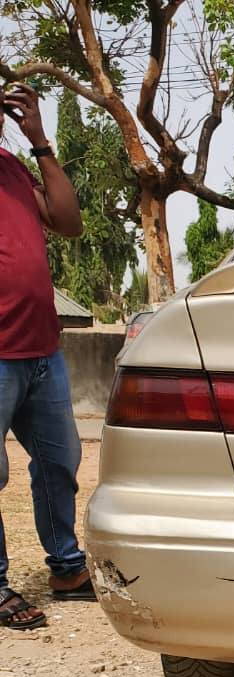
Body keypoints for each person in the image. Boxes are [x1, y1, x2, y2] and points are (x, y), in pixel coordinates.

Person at [1, 82, 94, 630]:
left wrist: (39, 140)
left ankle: (66, 567)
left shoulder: (13, 169)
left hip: (42, 349)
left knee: (60, 462)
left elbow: (68, 221)